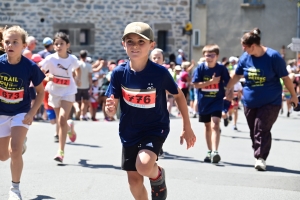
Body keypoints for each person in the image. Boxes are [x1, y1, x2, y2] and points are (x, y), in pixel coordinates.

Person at [105, 22, 196, 200]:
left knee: (145, 166)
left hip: (155, 128)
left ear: (151, 45)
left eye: (141, 42)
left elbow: (179, 96)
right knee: (134, 181)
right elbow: (110, 109)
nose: (135, 46)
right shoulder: (118, 73)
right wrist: (109, 110)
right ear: (124, 44)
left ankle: (158, 176)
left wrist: (187, 126)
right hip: (129, 130)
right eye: (130, 41)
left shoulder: (159, 73)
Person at [225, 28, 298, 171]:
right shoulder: (245, 58)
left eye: (245, 47)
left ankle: (261, 157)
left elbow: (286, 78)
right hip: (250, 101)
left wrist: (293, 96)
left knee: (261, 128)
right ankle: (259, 152)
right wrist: (227, 88)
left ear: (254, 46)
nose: (243, 50)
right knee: (254, 131)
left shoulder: (273, 57)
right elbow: (237, 75)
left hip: (271, 101)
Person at [0, 26, 45, 200]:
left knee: (16, 150)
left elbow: (41, 92)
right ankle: (20, 143)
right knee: (3, 156)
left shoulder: (30, 67)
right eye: (7, 42)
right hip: (2, 112)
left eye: (15, 42)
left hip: (21, 112)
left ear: (24, 45)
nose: (10, 45)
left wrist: (32, 112)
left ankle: (15, 189)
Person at [40, 32, 81, 163]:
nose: (58, 46)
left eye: (61, 44)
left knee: (62, 118)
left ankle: (60, 151)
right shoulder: (50, 59)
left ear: (67, 45)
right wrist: (48, 77)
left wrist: (78, 77)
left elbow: (77, 68)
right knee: (60, 121)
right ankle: (69, 129)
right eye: (56, 44)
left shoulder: (72, 59)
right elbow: (40, 73)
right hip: (54, 91)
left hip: (68, 91)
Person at [192, 44, 230, 164]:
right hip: (204, 101)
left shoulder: (221, 69)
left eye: (212, 55)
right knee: (207, 126)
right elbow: (196, 84)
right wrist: (211, 82)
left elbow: (228, 83)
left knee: (215, 124)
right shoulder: (200, 68)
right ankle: (209, 151)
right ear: (204, 56)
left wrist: (230, 93)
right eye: (207, 55)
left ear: (217, 56)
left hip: (217, 101)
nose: (209, 57)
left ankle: (215, 151)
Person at [73, 50, 92, 121]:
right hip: (86, 85)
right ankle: (82, 115)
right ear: (86, 56)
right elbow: (90, 76)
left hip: (77, 85)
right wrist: (90, 86)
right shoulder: (89, 65)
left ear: (80, 56)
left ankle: (77, 111)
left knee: (76, 101)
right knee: (85, 101)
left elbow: (74, 74)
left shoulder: (77, 64)